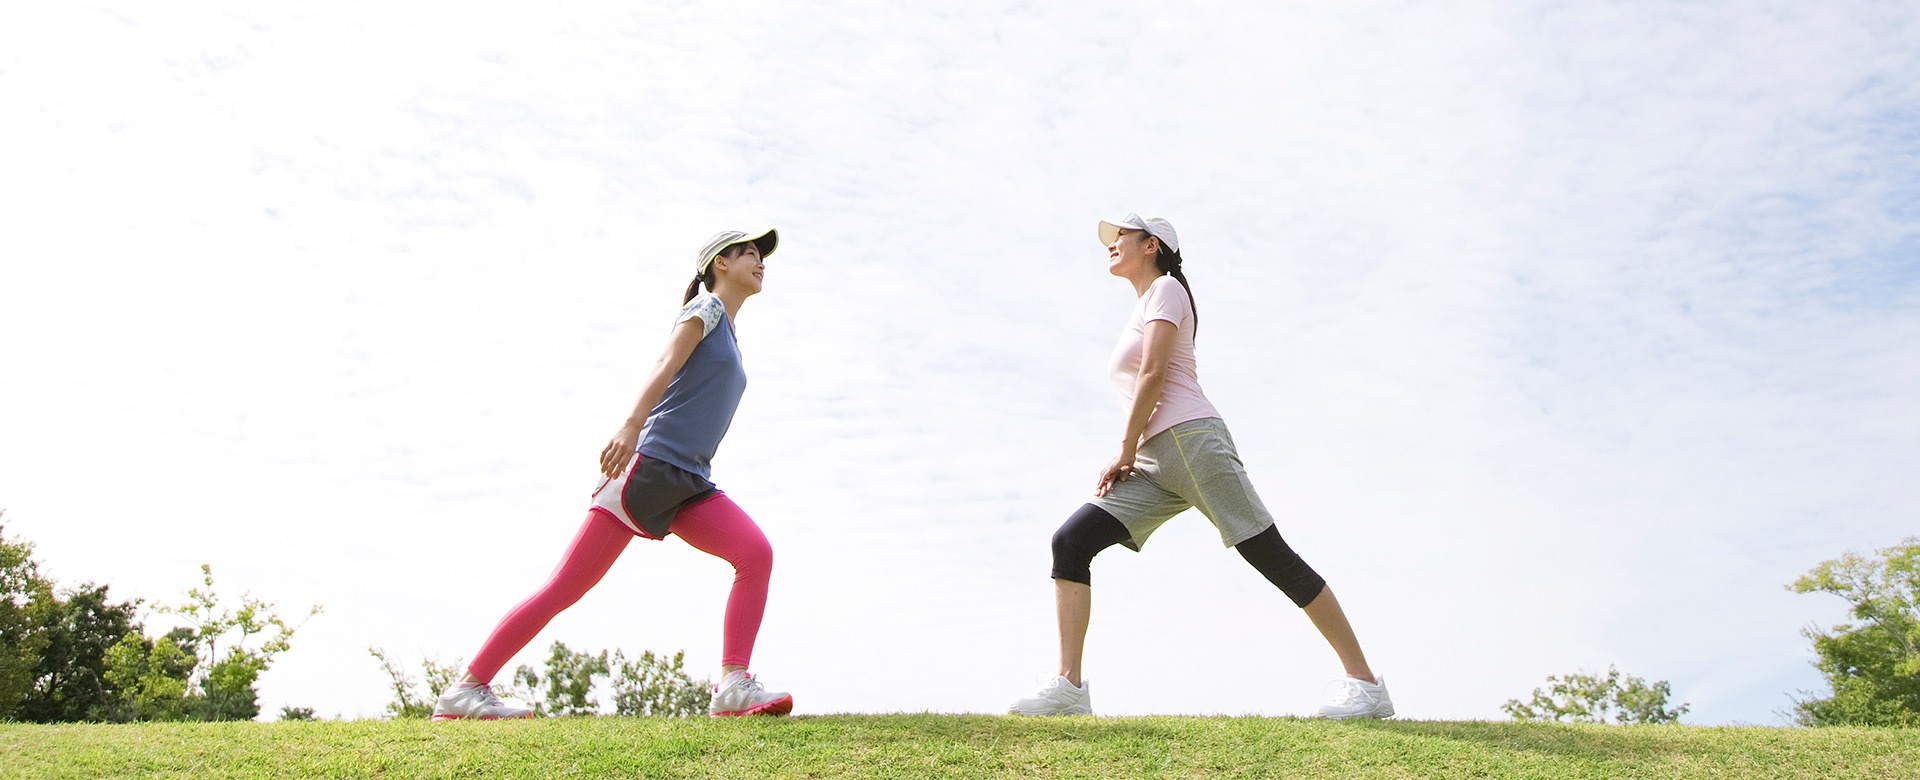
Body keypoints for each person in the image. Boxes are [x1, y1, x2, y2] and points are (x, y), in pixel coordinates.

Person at [1009, 214, 1393, 719]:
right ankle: (1068, 688)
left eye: (1120, 236)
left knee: (1269, 554)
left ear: (1151, 246)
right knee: (1071, 541)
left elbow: (1154, 372)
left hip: (1191, 442)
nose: (1111, 245)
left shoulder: (1168, 289)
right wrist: (1134, 451)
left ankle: (1365, 687)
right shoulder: (1145, 304)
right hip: (1153, 461)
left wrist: (1124, 449)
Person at [432, 229, 794, 720]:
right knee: (564, 588)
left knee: (755, 552)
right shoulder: (705, 310)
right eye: (749, 252)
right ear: (719, 265)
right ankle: (466, 690)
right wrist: (629, 427)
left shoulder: (729, 330)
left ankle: (732, 684)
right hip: (648, 469)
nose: (759, 261)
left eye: (760, 255)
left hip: (688, 481)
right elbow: (665, 364)